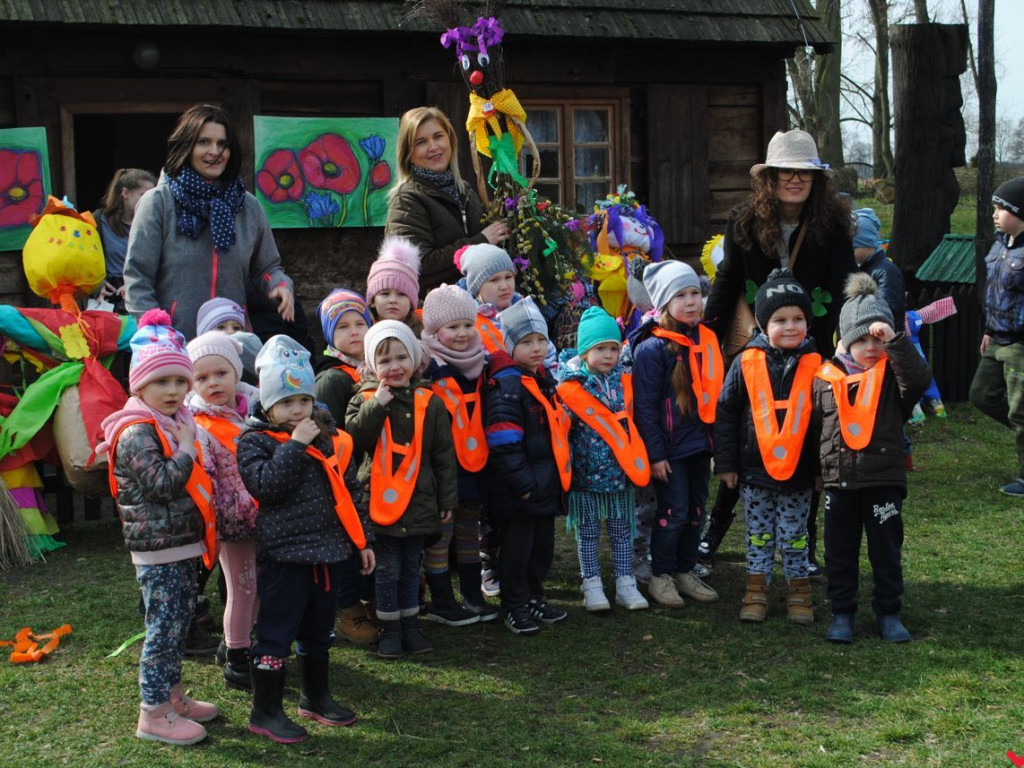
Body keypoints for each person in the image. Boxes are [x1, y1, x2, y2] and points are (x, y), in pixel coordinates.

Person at [700, 129, 857, 573]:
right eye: (786, 171)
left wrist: (848, 338)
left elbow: (845, 283)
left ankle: (803, 545)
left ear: (816, 180)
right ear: (770, 178)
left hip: (813, 347)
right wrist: (705, 336)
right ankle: (714, 530)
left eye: (804, 173)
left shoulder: (833, 223)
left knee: (806, 443)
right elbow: (729, 280)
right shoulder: (744, 220)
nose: (795, 179)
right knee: (751, 438)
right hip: (758, 348)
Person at [236, 335, 374, 744]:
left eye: (304, 400)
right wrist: (295, 445)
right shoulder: (254, 442)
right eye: (286, 402)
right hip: (285, 558)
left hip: (328, 553)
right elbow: (267, 487)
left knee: (319, 630)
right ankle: (265, 711)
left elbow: (347, 490)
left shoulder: (327, 437)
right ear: (268, 405)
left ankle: (315, 696)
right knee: (276, 633)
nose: (298, 410)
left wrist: (362, 541)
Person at [98, 309, 218, 746]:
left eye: (179, 381)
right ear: (139, 386)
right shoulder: (136, 431)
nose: (173, 391)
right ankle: (152, 713)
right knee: (163, 631)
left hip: (181, 542)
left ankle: (172, 697)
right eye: (161, 381)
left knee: (179, 623)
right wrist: (186, 450)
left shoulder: (173, 422)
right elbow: (162, 484)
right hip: (159, 548)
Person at [811, 274, 930, 644]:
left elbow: (919, 379)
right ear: (846, 340)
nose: (870, 347)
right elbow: (816, 429)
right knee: (839, 552)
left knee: (886, 550)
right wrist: (817, 472)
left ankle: (889, 612)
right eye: (861, 340)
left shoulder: (893, 377)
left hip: (883, 481)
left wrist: (895, 340)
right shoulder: (826, 377)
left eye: (877, 339)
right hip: (839, 483)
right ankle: (842, 612)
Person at [124, 102, 294, 340]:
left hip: (232, 344)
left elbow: (267, 268)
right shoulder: (158, 202)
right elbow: (138, 278)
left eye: (222, 143)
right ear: (186, 146)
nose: (215, 151)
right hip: (174, 344)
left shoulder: (248, 206)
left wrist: (279, 284)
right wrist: (158, 333)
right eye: (204, 142)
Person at [345, 321, 459, 659]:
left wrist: (447, 499)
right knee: (387, 569)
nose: (394, 366)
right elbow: (354, 441)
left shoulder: (431, 402)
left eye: (401, 357)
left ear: (414, 359)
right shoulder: (364, 399)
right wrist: (376, 406)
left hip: (419, 502)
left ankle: (411, 626)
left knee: (411, 569)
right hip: (378, 502)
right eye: (384, 361)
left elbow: (443, 455)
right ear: (371, 365)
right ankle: (389, 629)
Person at [713, 270, 820, 624]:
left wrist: (821, 470)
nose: (790, 326)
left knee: (795, 534)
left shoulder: (817, 365)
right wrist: (727, 464)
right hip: (754, 472)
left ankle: (798, 592)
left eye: (798, 319)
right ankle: (756, 591)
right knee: (759, 535)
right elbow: (726, 411)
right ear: (762, 324)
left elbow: (824, 424)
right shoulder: (745, 362)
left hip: (799, 474)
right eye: (780, 320)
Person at [629, 261, 720, 609]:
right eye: (680, 295)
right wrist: (655, 455)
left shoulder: (705, 339)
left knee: (697, 511)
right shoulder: (652, 348)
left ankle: (685, 569)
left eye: (695, 293)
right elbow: (645, 408)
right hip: (669, 450)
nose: (691, 301)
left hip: (700, 445)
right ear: (664, 303)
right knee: (674, 511)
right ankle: (661, 574)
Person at [482, 297, 569, 635]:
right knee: (516, 551)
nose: (536, 348)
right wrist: (525, 485)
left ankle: (534, 595)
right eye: (527, 342)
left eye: (541, 340)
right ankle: (515, 604)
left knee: (541, 549)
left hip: (544, 484)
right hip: (520, 490)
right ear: (510, 345)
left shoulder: (542, 379)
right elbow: (504, 443)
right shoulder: (507, 386)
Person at [556, 306, 649, 612]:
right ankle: (592, 584)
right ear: (584, 352)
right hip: (585, 474)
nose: (608, 355)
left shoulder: (625, 381)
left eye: (613, 348)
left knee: (622, 531)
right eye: (600, 349)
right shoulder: (571, 388)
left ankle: (625, 582)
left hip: (620, 472)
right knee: (588, 533)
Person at [419, 284, 499, 626]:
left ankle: (472, 595)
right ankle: (441, 600)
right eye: (453, 327)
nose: (463, 333)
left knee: (469, 528)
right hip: (444, 465)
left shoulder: (483, 361)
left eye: (468, 324)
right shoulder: (426, 366)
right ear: (435, 330)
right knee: (442, 532)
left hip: (476, 462)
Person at [185, 332, 260, 689]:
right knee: (241, 588)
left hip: (262, 517)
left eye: (221, 373)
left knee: (256, 587)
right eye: (202, 377)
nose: (212, 383)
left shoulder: (256, 409)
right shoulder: (198, 425)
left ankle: (238, 643)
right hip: (230, 523)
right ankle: (237, 658)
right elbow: (206, 480)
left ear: (236, 372)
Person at [312, 288, 377, 647]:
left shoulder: (373, 366)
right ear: (328, 334)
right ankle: (348, 610)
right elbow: (330, 434)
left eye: (359, 323)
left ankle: (368, 601)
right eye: (342, 326)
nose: (354, 332)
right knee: (349, 545)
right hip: (344, 478)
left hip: (370, 477)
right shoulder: (333, 378)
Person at [385, 106, 509, 295]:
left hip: (476, 304)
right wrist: (480, 242)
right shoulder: (407, 200)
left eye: (438, 136)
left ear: (450, 140)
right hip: (435, 306)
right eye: (421, 142)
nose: (433, 147)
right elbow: (420, 265)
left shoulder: (465, 191)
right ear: (408, 152)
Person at [969, 177, 1024, 496]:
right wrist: (988, 330)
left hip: (1020, 344)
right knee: (981, 395)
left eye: (1000, 208)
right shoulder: (1000, 245)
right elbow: (995, 292)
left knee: (1020, 410)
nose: (994, 214)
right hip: (997, 337)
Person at [96, 168, 157, 313]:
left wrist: (133, 285)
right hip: (109, 296)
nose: (149, 201)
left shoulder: (154, 223)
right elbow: (85, 260)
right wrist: (96, 286)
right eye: (143, 195)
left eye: (152, 196)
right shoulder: (99, 221)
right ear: (125, 193)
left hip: (141, 293)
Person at [366, 235, 424, 337]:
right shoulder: (363, 332)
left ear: (411, 302)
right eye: (385, 293)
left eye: (401, 294)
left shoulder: (425, 333)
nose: (393, 300)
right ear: (373, 301)